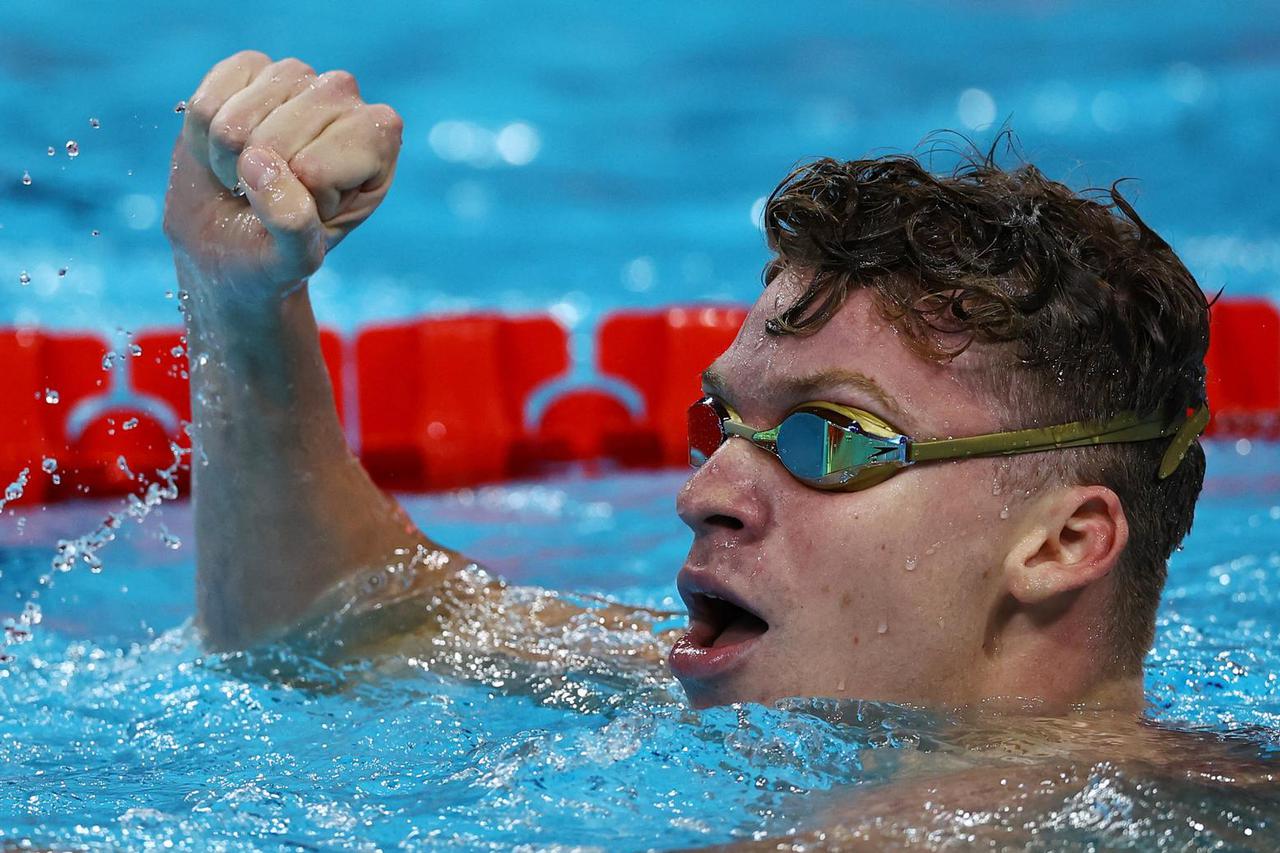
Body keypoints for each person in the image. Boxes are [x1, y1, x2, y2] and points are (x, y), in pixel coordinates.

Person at [163, 51, 1211, 717]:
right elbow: (331, 626)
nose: (700, 492)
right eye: (724, 421)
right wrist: (239, 301)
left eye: (826, 437)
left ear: (1059, 544)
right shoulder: (770, 689)